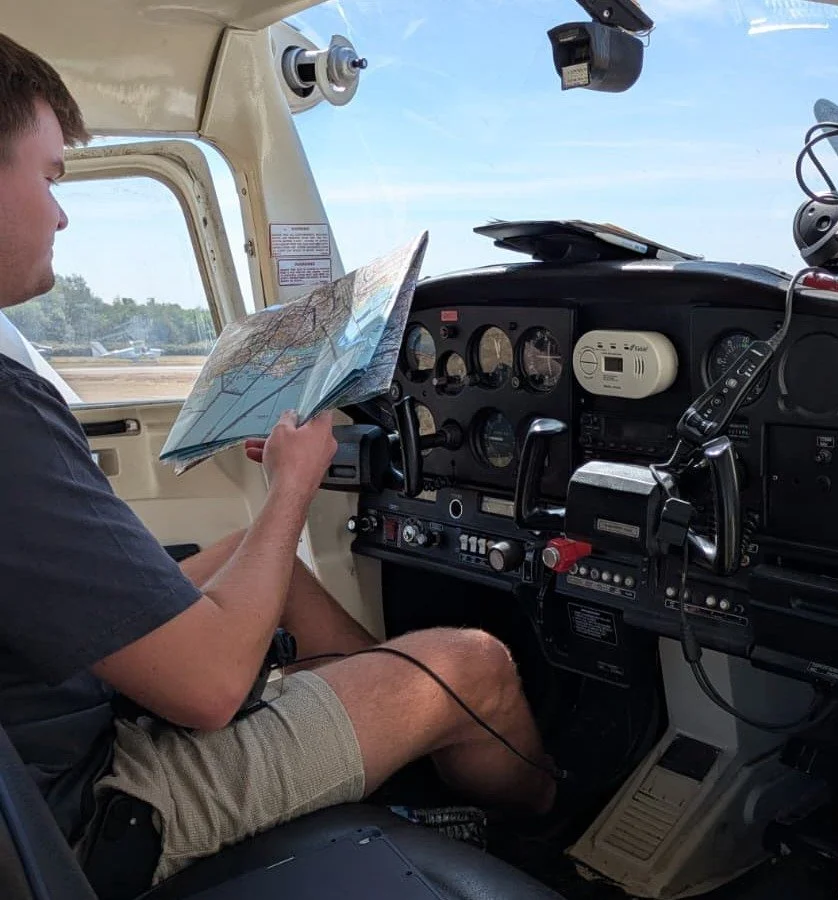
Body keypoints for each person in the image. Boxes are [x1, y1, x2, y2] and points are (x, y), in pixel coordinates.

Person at [0, 33, 556, 885]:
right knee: (472, 664)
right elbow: (211, 687)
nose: (62, 213)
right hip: (80, 809)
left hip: (42, 723)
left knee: (284, 578)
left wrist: (274, 514)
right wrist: (292, 488)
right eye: (47, 178)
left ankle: (390, 751)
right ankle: (550, 841)